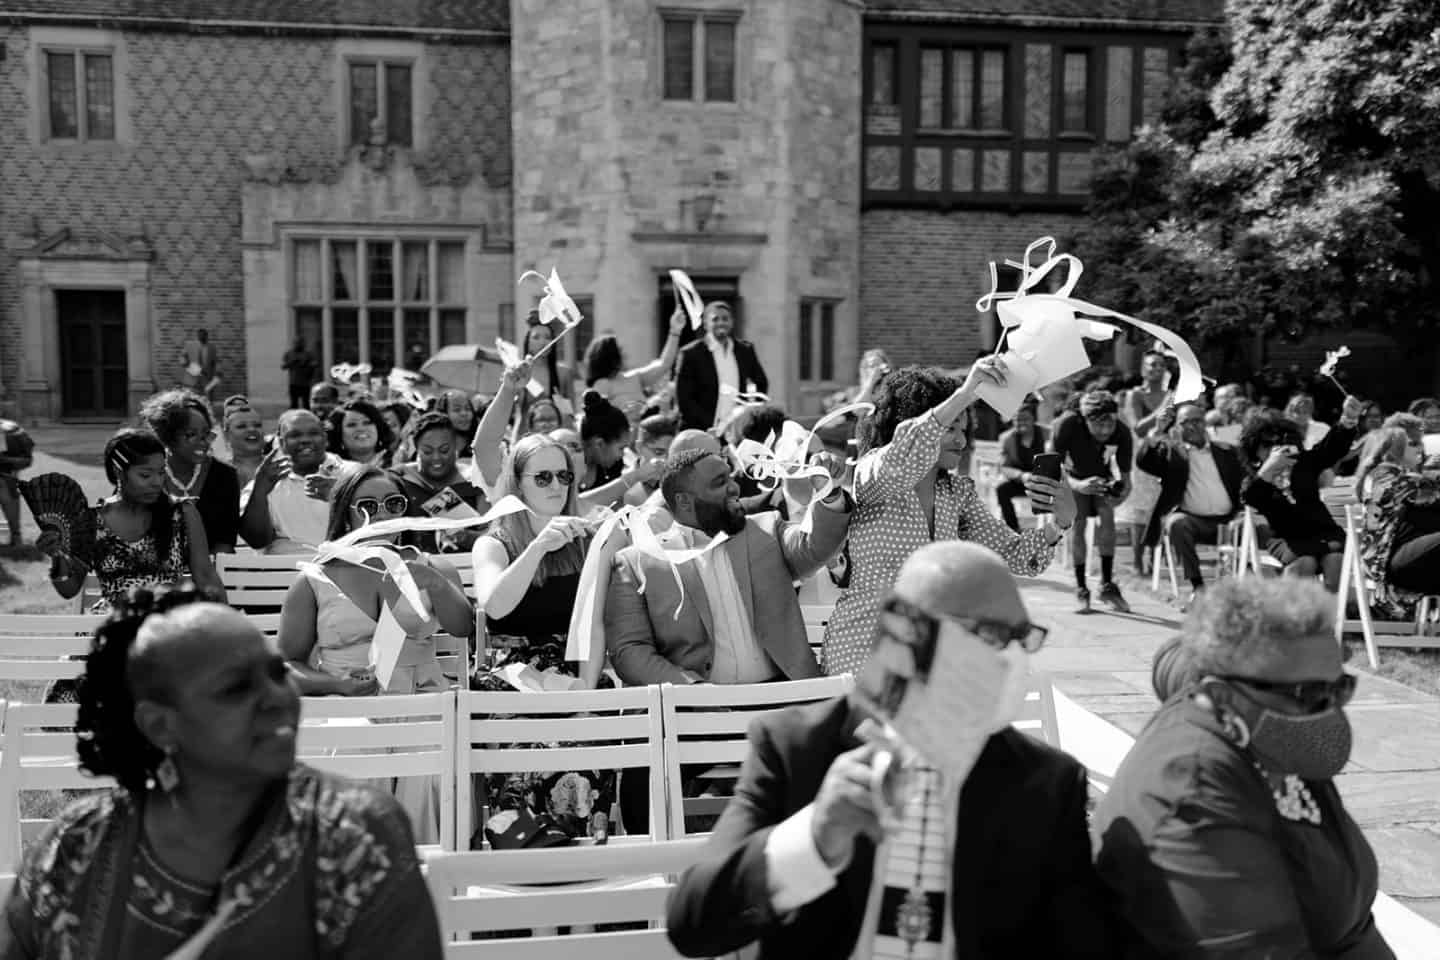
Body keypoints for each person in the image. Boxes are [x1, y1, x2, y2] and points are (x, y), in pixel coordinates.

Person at [665, 541, 1117, 959]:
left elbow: (1083, 943)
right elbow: (692, 924)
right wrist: (812, 838)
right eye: (997, 635)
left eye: (1025, 638)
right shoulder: (797, 748)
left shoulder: (1046, 782)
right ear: (914, 637)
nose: (1016, 658)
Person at [0, 589, 443, 959]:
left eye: (275, 674)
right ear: (159, 725)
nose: (277, 698)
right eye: (235, 688)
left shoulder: (353, 835)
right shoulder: (78, 847)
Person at [1095, 578, 1390, 957]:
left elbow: (1178, 661)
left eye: (1341, 688)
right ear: (1222, 697)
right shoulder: (1191, 798)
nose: (1331, 709)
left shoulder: (1270, 737)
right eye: (1311, 694)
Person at [822, 363, 1074, 677]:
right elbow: (902, 456)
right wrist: (965, 393)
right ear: (908, 421)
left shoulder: (957, 493)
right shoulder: (871, 473)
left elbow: (1017, 557)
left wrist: (1059, 523)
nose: (962, 441)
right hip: (864, 651)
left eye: (964, 430)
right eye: (951, 428)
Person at [277, 467, 472, 844]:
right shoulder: (314, 578)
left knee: (428, 755)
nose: (382, 514)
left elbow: (464, 628)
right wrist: (337, 685)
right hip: (349, 704)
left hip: (421, 699)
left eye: (393, 503)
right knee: (359, 743)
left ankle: (430, 871)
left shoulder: (431, 566)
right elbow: (284, 665)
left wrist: (433, 582)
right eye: (367, 506)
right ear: (345, 514)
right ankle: (356, 870)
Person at [470, 435, 615, 844]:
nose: (557, 486)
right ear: (517, 484)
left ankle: (582, 844)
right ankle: (524, 841)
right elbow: (494, 607)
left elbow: (595, 623)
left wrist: (587, 686)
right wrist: (536, 548)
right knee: (526, 738)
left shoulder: (587, 541)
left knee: (589, 720)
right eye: (544, 477)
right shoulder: (493, 543)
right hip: (512, 675)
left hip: (574, 667)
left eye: (565, 476)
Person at [605, 445, 850, 685]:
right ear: (684, 501)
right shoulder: (638, 562)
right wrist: (692, 691)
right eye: (719, 482)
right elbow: (629, 650)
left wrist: (828, 492)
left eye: (731, 477)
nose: (734, 487)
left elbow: (815, 546)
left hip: (786, 698)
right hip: (701, 714)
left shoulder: (766, 529)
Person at [40, 429, 224, 611]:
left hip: (166, 626)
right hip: (113, 625)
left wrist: (231, 628)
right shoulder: (91, 521)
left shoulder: (182, 513)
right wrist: (58, 557)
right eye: (145, 475)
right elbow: (69, 589)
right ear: (119, 472)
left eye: (161, 473)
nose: (157, 482)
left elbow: (205, 576)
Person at [1240, 397, 1362, 591]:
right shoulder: (1256, 481)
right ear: (1254, 451)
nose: (1275, 449)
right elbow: (1250, 497)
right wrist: (1270, 468)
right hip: (1287, 539)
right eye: (1266, 445)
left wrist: (1348, 419)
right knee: (1305, 563)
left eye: (1279, 443)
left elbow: (1330, 449)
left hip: (1323, 531)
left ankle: (1331, 616)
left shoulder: (1303, 464)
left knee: (1335, 561)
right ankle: (1293, 615)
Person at [1137, 401, 1246, 605]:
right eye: (1186, 422)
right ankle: (1198, 587)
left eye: (1197, 420)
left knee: (1267, 529)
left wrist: (1242, 513)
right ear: (1177, 427)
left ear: (1205, 423)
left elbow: (1244, 484)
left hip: (1230, 522)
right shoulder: (1172, 453)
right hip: (1194, 522)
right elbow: (1145, 462)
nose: (1193, 426)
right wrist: (1157, 431)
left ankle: (1270, 590)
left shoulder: (1227, 451)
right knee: (1177, 523)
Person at [1051, 389, 1134, 613]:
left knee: (1108, 519)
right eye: (1098, 425)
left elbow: (1127, 480)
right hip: (1071, 477)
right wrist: (1077, 486)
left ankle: (1107, 585)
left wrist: (1121, 495)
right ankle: (1081, 588)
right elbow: (1049, 468)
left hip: (1101, 479)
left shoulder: (1122, 432)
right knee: (1079, 525)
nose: (1105, 431)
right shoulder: (1066, 424)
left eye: (1110, 424)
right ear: (1085, 419)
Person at [140, 389, 240, 556]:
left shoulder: (224, 475)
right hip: (154, 573)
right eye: (191, 434)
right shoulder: (144, 472)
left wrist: (205, 575)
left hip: (212, 572)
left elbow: (226, 541)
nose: (203, 442)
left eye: (206, 434)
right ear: (168, 436)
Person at [1359, 425, 1440, 618]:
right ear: (1393, 448)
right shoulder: (1382, 476)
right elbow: (1417, 491)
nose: (1421, 448)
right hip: (1391, 565)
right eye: (1413, 444)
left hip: (1423, 561)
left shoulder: (1418, 478)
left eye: (1421, 443)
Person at [239, 410, 345, 554]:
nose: (305, 440)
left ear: (325, 439)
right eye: (295, 435)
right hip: (283, 572)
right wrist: (260, 492)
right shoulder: (264, 481)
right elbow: (257, 541)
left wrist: (340, 494)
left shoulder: (352, 474)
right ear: (281, 442)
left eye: (313, 433)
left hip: (342, 568)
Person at [391, 411, 488, 553]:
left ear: (456, 446)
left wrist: (463, 536)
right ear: (417, 448)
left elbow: (492, 537)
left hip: (464, 567)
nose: (436, 458)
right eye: (427, 451)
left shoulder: (473, 480)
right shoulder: (400, 476)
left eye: (444, 450)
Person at [1117, 350, 1172, 576]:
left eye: (1160, 365)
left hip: (1166, 454)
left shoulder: (1172, 395)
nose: (1156, 369)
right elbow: (1137, 427)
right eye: (1152, 365)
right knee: (1140, 511)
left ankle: (1157, 559)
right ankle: (1139, 561)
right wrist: (1161, 409)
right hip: (1142, 454)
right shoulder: (1135, 396)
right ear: (1143, 369)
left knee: (1160, 508)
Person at [674, 301, 769, 430]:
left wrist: (750, 414)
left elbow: (761, 382)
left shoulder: (745, 350)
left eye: (725, 319)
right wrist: (710, 425)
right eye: (715, 319)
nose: (721, 323)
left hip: (736, 430)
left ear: (732, 322)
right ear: (706, 323)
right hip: (702, 430)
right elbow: (684, 400)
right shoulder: (690, 354)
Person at [584, 308, 686, 424]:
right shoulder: (601, 384)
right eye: (620, 351)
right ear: (610, 357)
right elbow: (598, 419)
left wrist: (675, 331)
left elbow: (664, 364)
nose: (624, 355)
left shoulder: (635, 377)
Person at [995, 402, 1048, 532]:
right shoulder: (1006, 438)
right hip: (1021, 482)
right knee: (1001, 489)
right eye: (1017, 419)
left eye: (1025, 419)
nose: (1020, 422)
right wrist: (1021, 476)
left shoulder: (1048, 434)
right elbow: (1003, 467)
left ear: (1034, 419)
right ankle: (1013, 529)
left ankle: (1051, 530)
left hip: (1045, 482)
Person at [624, 413, 680, 506]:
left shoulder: (679, 483)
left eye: (671, 453)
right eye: (658, 453)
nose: (666, 460)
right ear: (639, 447)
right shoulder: (621, 487)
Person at [327, 398, 393, 467]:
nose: (361, 429)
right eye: (352, 425)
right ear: (339, 433)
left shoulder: (397, 463)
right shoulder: (330, 470)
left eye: (367, 422)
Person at [0, 417, 35, 546]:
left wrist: (6, 461)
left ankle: (16, 537)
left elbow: (27, 459)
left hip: (6, 478)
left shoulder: (11, 429)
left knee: (8, 500)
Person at [219, 402, 267, 490]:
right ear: (227, 435)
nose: (252, 429)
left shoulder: (280, 468)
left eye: (257, 425)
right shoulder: (217, 472)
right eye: (242, 426)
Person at [179, 328, 220, 401]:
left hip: (206, 379)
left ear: (207, 336)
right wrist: (186, 364)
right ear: (197, 336)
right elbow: (182, 357)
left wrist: (216, 373)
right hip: (192, 379)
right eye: (200, 335)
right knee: (192, 401)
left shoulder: (212, 347)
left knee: (207, 401)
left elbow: (215, 362)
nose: (202, 337)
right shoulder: (189, 345)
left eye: (204, 336)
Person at [282, 336, 318, 410]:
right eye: (296, 343)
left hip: (305, 383)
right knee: (294, 404)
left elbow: (315, 364)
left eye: (300, 343)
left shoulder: (308, 354)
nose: (298, 344)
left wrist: (307, 365)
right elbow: (283, 366)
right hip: (294, 383)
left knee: (306, 404)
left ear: (303, 344)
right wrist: (292, 362)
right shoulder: (289, 353)